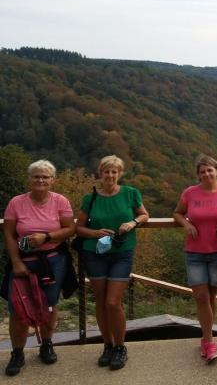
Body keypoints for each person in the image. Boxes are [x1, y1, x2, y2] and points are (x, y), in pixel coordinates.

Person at [2, 160, 76, 377]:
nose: (41, 180)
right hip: (23, 260)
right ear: (30, 179)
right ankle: (17, 353)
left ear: (52, 180)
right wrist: (16, 261)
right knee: (17, 308)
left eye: (45, 177)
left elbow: (70, 228)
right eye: (36, 176)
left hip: (53, 261)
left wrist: (47, 236)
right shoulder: (16, 202)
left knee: (50, 305)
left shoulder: (60, 201)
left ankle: (47, 344)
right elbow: (8, 233)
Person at [75, 155, 149, 370]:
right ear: (101, 173)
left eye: (114, 172)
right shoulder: (91, 198)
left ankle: (120, 346)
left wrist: (132, 222)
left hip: (122, 253)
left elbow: (144, 215)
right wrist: (95, 233)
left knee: (112, 302)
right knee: (100, 301)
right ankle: (107, 345)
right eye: (107, 171)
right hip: (94, 253)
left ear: (119, 174)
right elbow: (78, 228)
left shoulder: (130, 193)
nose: (110, 175)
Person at [173, 155, 217, 362]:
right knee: (201, 296)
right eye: (202, 171)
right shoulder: (190, 193)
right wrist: (187, 224)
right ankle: (209, 340)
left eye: (210, 170)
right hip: (195, 252)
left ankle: (207, 338)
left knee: (211, 296)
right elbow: (177, 213)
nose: (206, 174)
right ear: (198, 175)